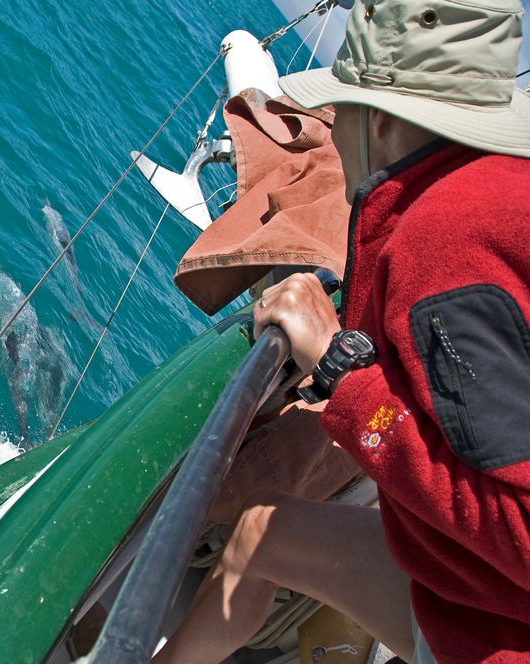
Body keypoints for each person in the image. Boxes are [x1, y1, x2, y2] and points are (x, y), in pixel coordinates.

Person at [154, 0, 530, 662]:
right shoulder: (498, 198)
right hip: (480, 594)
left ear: (380, 122)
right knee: (262, 535)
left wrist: (340, 369)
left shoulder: (445, 248)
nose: (331, 132)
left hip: (495, 635)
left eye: (342, 110)